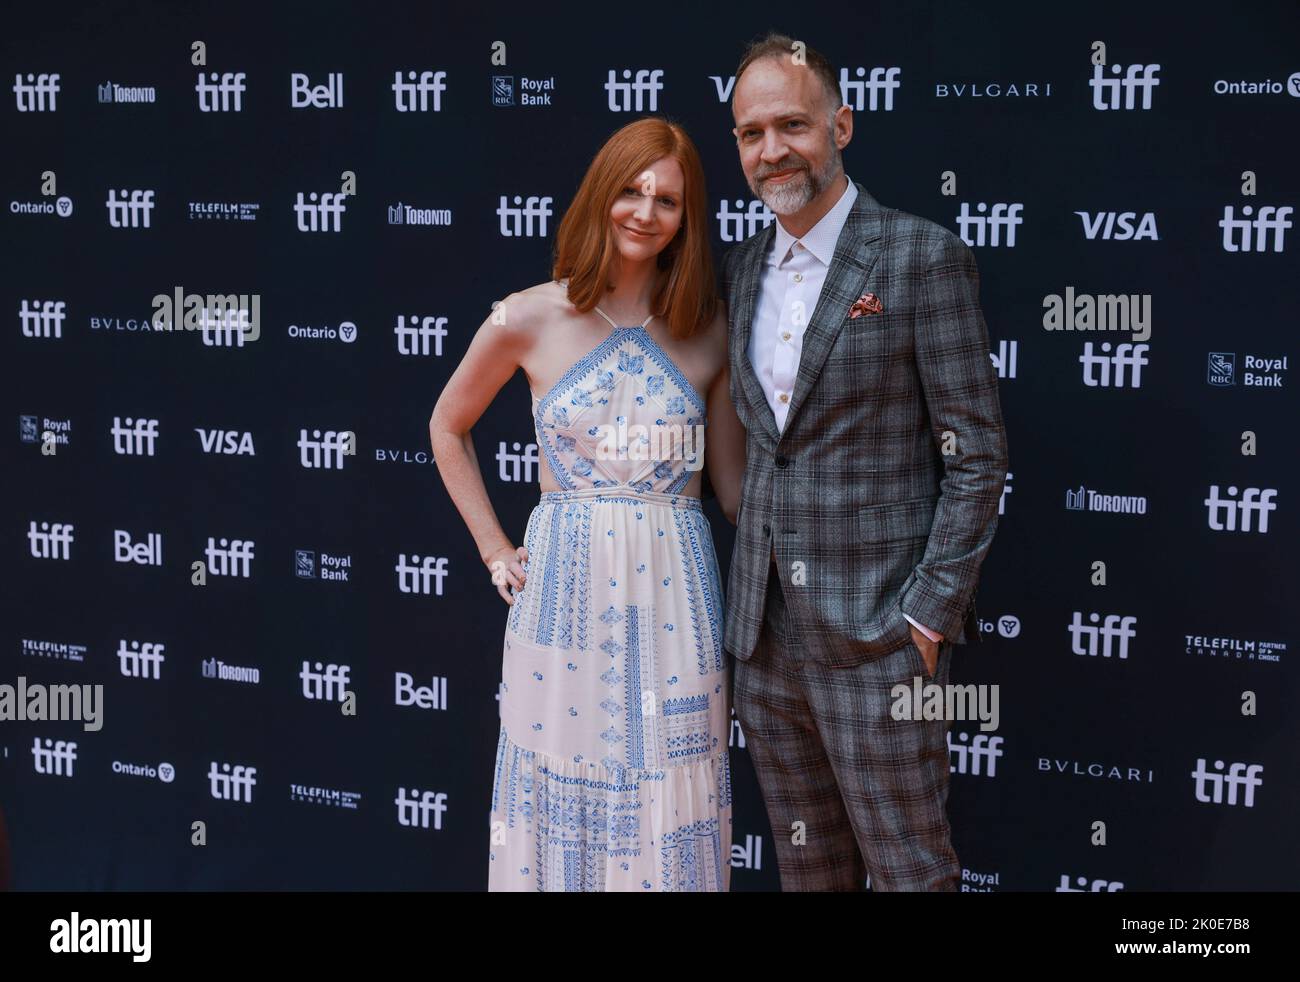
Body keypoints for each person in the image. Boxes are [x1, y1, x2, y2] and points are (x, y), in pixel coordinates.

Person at [721, 33, 1009, 891]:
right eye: (749, 133)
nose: (772, 150)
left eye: (792, 125)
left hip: (879, 642)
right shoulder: (740, 269)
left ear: (841, 125)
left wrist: (923, 621)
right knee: (811, 876)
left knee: (912, 875)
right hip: (764, 647)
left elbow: (978, 456)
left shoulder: (921, 257)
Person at [430, 117, 747, 891]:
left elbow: (734, 491)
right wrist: (493, 548)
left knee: (671, 797)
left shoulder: (708, 331)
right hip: (565, 591)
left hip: (678, 596)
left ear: (686, 219)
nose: (644, 211)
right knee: (557, 787)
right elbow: (446, 426)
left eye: (666, 200)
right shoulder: (527, 317)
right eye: (631, 191)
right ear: (601, 195)